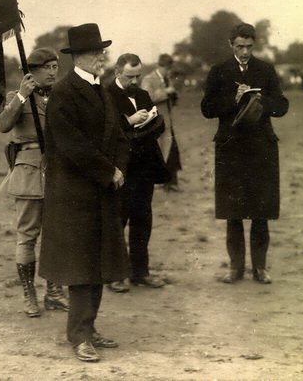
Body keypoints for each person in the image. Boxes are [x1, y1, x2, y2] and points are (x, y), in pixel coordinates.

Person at [38, 23, 130, 363]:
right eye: (97, 53)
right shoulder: (64, 92)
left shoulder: (101, 89)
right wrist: (108, 172)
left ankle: (89, 328)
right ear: (79, 57)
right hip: (74, 194)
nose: (103, 57)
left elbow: (119, 135)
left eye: (103, 51)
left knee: (100, 264)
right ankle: (78, 336)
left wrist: (118, 170)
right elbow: (72, 146)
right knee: (81, 269)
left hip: (102, 190)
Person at [201, 23, 289, 284]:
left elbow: (282, 105)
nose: (245, 52)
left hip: (261, 148)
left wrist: (262, 103)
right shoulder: (218, 72)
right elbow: (206, 108)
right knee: (233, 211)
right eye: (240, 46)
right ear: (231, 45)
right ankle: (235, 268)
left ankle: (260, 268)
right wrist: (233, 98)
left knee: (261, 211)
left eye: (249, 47)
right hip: (231, 149)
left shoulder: (266, 69)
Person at [0, 47, 69, 317]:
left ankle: (54, 292)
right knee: (27, 236)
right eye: (47, 68)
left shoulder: (61, 95)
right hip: (28, 172)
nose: (53, 72)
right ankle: (29, 294)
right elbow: (4, 126)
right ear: (33, 71)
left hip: (58, 172)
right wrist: (22, 95)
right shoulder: (17, 97)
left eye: (55, 67)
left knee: (57, 235)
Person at [106, 53, 170, 292]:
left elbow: (158, 124)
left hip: (144, 168)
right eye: (129, 76)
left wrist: (152, 121)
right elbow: (106, 130)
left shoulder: (143, 94)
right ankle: (115, 275)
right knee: (118, 220)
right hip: (121, 168)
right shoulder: (106, 94)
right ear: (117, 73)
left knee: (143, 220)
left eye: (138, 76)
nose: (135, 81)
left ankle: (140, 272)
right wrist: (130, 121)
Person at [142, 53, 182, 191]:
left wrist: (173, 95)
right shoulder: (149, 79)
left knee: (172, 151)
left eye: (169, 68)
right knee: (160, 152)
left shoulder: (167, 79)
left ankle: (170, 183)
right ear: (159, 66)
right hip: (155, 123)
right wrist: (166, 91)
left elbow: (170, 100)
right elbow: (147, 97)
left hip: (167, 121)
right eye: (165, 67)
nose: (167, 70)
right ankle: (162, 183)